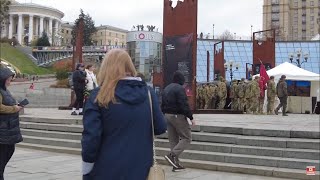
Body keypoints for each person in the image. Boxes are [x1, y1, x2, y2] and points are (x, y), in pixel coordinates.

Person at [81, 49, 167, 180]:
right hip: (141, 169)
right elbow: (160, 127)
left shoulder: (99, 95)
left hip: (106, 169)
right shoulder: (148, 93)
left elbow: (91, 138)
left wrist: (87, 170)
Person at [161, 71, 195, 172]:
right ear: (181, 80)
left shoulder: (166, 88)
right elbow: (183, 104)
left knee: (173, 140)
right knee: (187, 137)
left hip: (167, 115)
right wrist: (191, 117)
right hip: (177, 115)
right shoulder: (179, 89)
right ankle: (172, 155)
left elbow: (162, 104)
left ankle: (175, 164)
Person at [0, 67, 23, 180]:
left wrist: (16, 105)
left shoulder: (4, 90)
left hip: (8, 130)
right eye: (8, 80)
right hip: (3, 131)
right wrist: (14, 108)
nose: (10, 82)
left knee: (8, 152)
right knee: (2, 157)